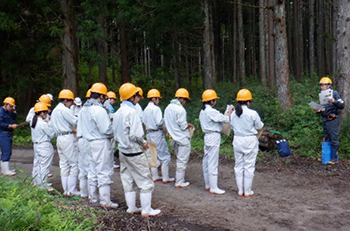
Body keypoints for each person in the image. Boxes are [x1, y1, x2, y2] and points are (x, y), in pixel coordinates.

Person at [113, 82, 161, 217]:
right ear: (132, 96)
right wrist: (144, 142)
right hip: (134, 151)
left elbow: (115, 132)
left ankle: (132, 207)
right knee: (145, 181)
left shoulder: (117, 112)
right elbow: (136, 134)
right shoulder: (132, 112)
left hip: (123, 151)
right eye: (137, 95)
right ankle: (146, 210)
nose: (138, 98)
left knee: (128, 179)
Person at [78, 83, 117, 208]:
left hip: (88, 142)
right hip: (100, 142)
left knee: (92, 170)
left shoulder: (84, 109)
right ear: (100, 96)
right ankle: (105, 201)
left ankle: (93, 198)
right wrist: (114, 130)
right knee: (103, 171)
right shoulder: (98, 110)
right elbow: (106, 129)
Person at [230, 89, 263, 198]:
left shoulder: (233, 114)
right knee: (249, 166)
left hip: (237, 140)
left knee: (238, 165)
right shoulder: (252, 113)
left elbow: (231, 126)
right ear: (248, 101)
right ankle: (247, 191)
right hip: (249, 140)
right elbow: (259, 127)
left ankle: (240, 191)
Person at [199, 89, 234, 195]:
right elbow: (226, 120)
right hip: (213, 136)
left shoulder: (203, 111)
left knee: (206, 160)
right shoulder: (211, 112)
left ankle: (208, 184)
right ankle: (213, 187)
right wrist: (229, 111)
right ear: (211, 101)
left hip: (207, 136)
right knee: (213, 162)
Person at [50, 89, 79, 196]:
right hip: (67, 137)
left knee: (64, 165)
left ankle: (66, 190)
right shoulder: (64, 110)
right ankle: (72, 190)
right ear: (66, 100)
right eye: (70, 101)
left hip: (59, 138)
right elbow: (75, 121)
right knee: (74, 164)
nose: (71, 104)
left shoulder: (55, 110)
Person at [164, 88, 194, 189]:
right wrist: (188, 125)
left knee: (178, 158)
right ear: (181, 99)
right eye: (185, 100)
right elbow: (182, 126)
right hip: (182, 138)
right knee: (182, 160)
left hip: (172, 137)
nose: (185, 102)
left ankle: (179, 180)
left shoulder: (168, 107)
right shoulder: (181, 110)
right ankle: (179, 182)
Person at [143, 89, 175, 183]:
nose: (158, 100)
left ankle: (155, 176)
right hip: (157, 133)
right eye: (157, 98)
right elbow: (159, 122)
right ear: (154, 98)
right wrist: (165, 120)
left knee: (153, 156)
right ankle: (165, 177)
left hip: (149, 134)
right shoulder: (156, 109)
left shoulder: (145, 110)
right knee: (165, 156)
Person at [314, 77, 345, 164]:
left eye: (323, 85)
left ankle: (334, 158)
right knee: (326, 138)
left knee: (333, 138)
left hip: (332, 119)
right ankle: (326, 157)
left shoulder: (334, 94)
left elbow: (342, 105)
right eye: (320, 85)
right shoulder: (321, 95)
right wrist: (318, 110)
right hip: (325, 119)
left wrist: (334, 101)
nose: (321, 87)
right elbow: (324, 108)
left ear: (328, 85)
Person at [30, 102, 55, 191]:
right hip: (44, 145)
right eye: (45, 112)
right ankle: (43, 185)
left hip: (36, 145)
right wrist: (49, 123)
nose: (46, 114)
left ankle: (37, 182)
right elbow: (52, 134)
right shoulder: (43, 124)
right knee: (44, 166)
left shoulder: (33, 121)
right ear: (42, 113)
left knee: (38, 165)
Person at [0, 97, 19, 176]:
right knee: (6, 152)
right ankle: (5, 170)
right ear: (5, 104)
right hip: (3, 134)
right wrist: (10, 126)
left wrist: (14, 111)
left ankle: (5, 168)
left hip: (8, 134)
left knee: (8, 152)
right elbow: (0, 123)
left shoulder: (8, 112)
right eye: (11, 106)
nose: (12, 108)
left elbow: (13, 118)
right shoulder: (1, 112)